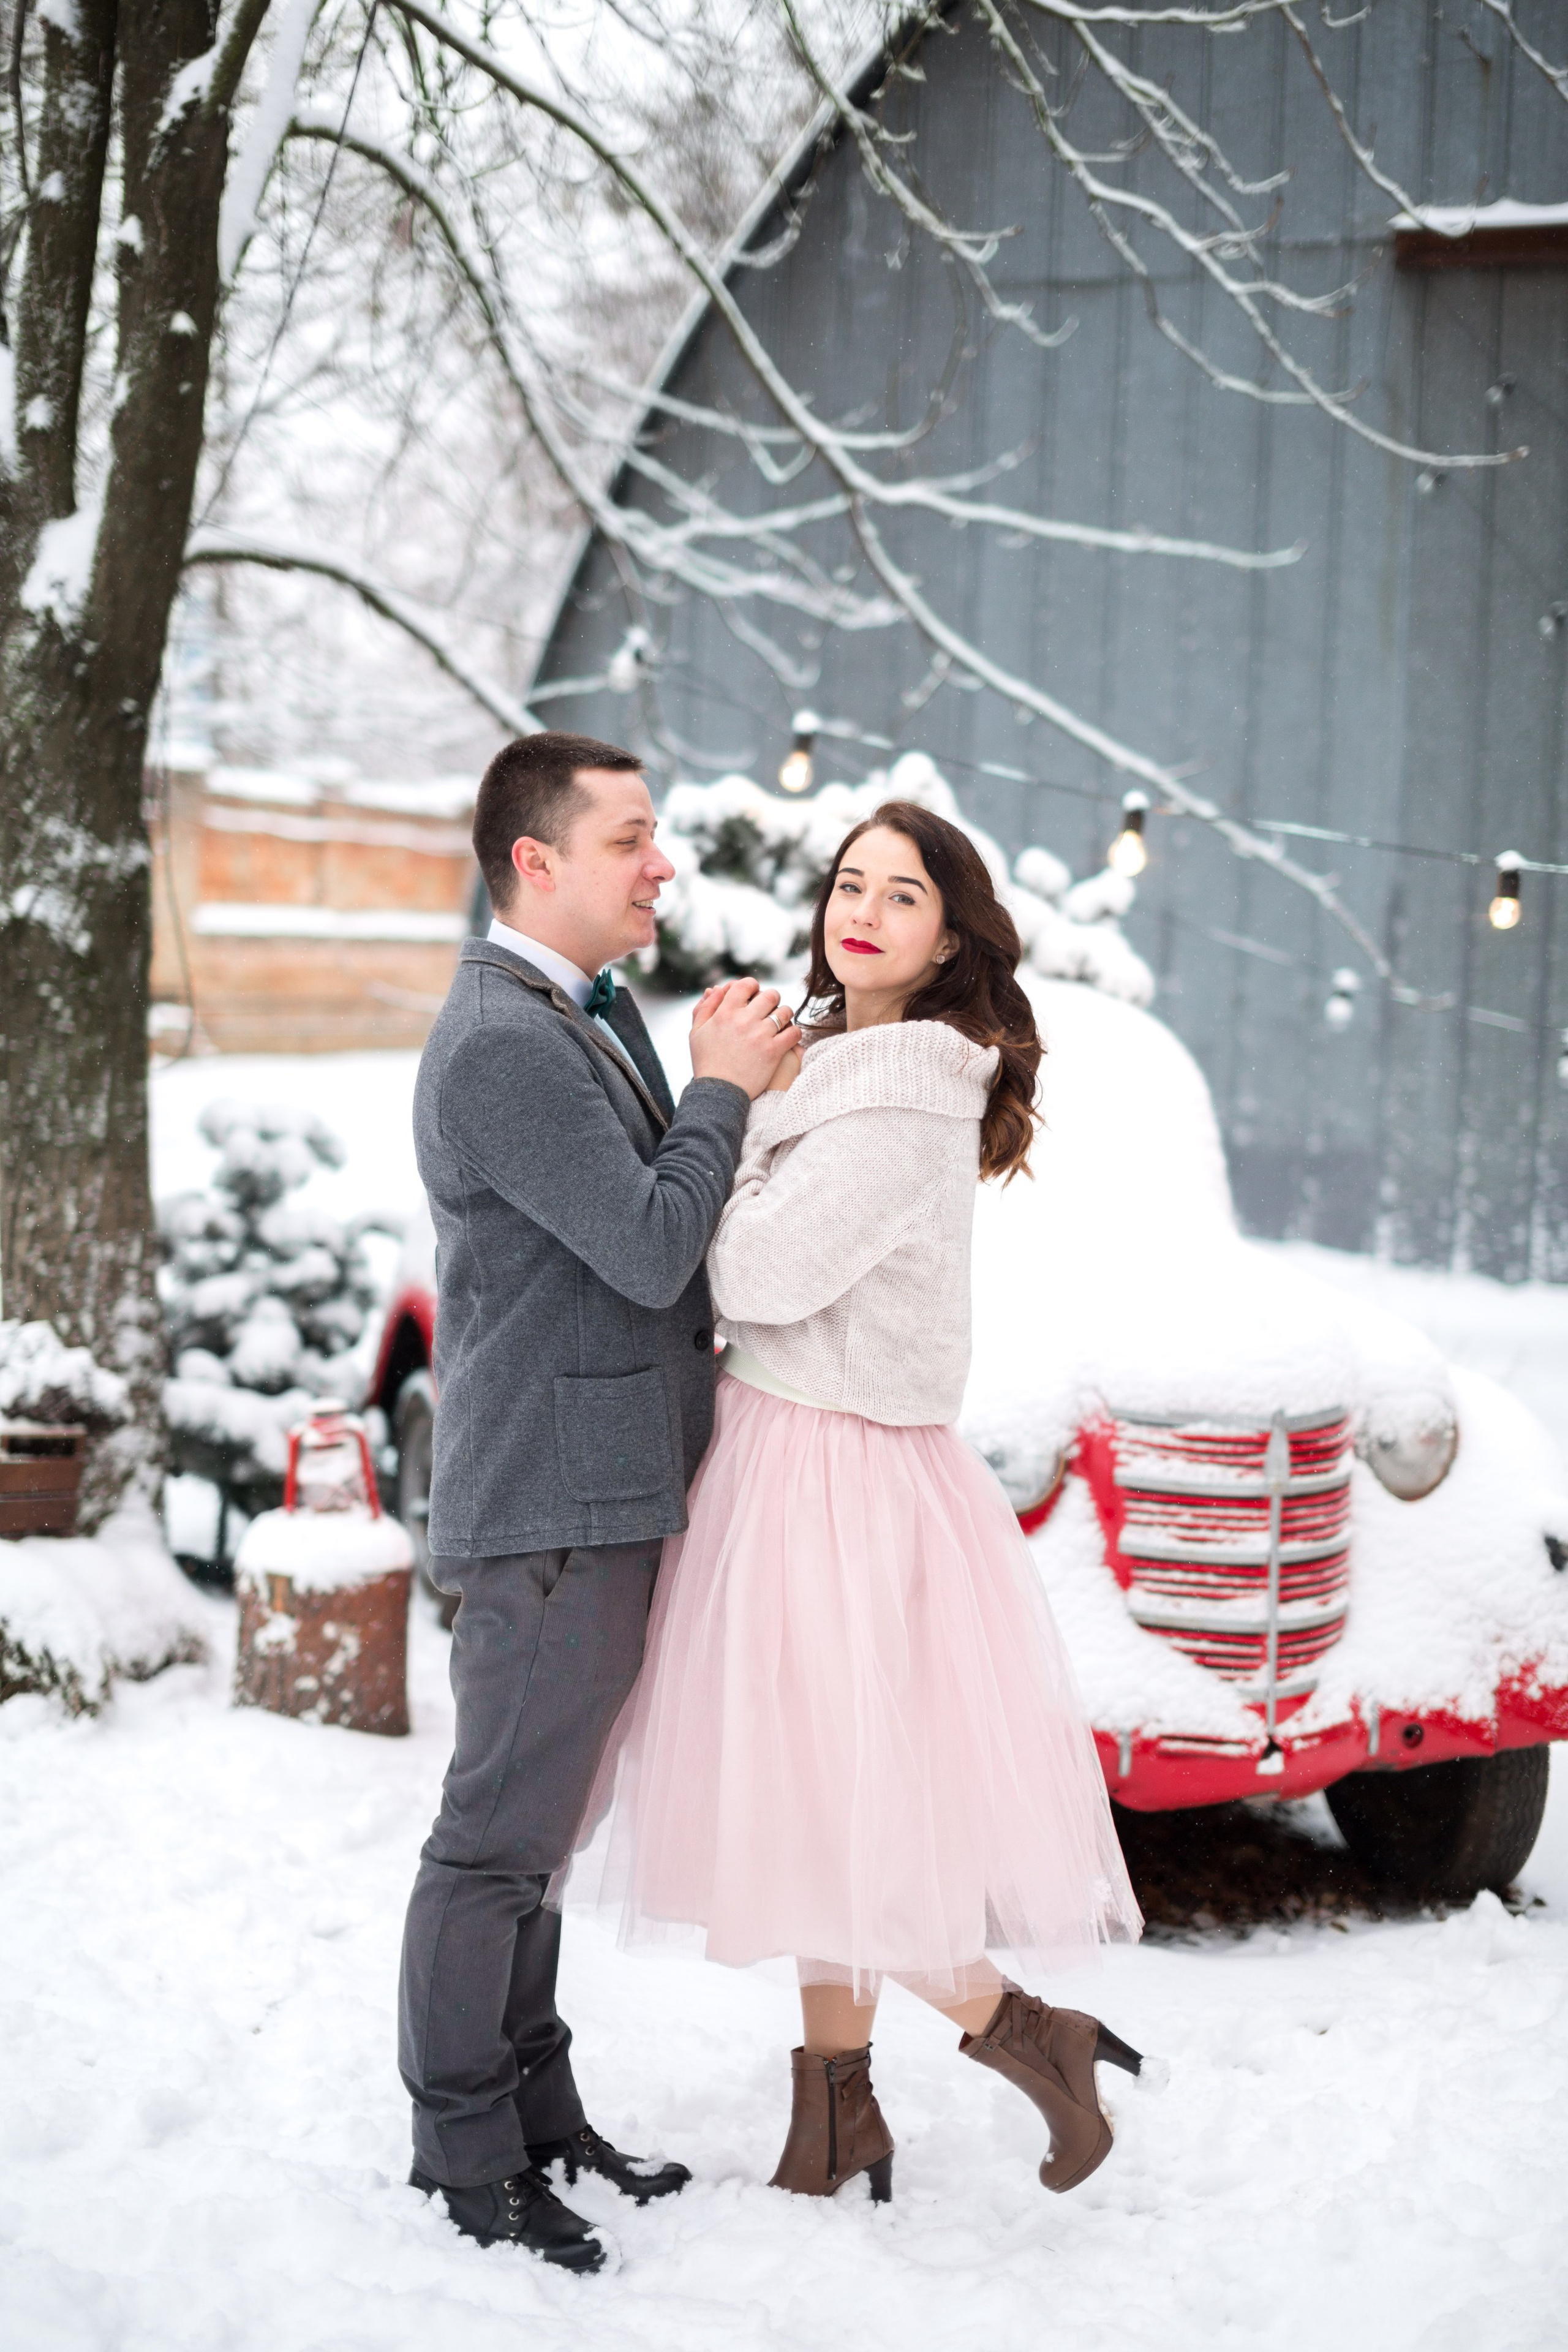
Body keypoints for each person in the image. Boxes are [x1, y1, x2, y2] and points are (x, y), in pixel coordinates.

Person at [575, 799, 1145, 2205]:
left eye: (903, 895)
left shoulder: (898, 1092)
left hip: (833, 1474)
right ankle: (835, 2119)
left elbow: (759, 1278)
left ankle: (1025, 2033)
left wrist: (726, 1121)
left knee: (835, 1813)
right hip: (791, 1451)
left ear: (950, 938)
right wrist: (757, 1102)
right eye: (849, 883)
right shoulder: (834, 1061)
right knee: (814, 1801)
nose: (864, 911)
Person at [399, 730, 799, 2272]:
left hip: (598, 1491)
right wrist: (718, 1090)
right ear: (535, 862)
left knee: (539, 1844)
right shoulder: (502, 1040)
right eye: (631, 837)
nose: (662, 863)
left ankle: (537, 2114)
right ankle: (464, 2153)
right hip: (547, 1508)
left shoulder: (570, 1012)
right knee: (495, 1843)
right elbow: (647, 1247)